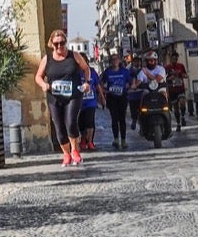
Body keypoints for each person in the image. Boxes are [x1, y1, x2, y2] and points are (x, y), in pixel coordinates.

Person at [35, 29, 89, 167]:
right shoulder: (47, 59)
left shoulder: (74, 56)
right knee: (59, 126)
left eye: (62, 43)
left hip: (73, 95)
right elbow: (38, 76)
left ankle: (75, 151)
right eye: (56, 44)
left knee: (71, 122)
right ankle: (66, 154)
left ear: (66, 42)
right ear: (51, 44)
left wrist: (86, 82)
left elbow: (86, 68)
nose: (59, 46)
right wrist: (43, 84)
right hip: (54, 97)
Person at [100, 53, 133, 149]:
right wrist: (104, 90)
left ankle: (123, 140)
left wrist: (130, 87)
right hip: (112, 98)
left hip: (122, 97)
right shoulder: (107, 72)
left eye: (116, 59)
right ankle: (116, 139)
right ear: (110, 62)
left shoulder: (125, 71)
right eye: (112, 60)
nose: (114, 61)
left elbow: (131, 82)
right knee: (114, 119)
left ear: (119, 61)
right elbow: (101, 82)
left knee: (122, 119)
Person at [163, 47, 190, 130]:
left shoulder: (180, 66)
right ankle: (178, 123)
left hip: (180, 88)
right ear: (170, 59)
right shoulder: (167, 68)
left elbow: (186, 75)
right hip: (172, 90)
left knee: (182, 103)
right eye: (173, 58)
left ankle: (183, 116)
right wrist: (169, 78)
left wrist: (181, 74)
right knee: (175, 108)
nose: (174, 59)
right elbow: (164, 79)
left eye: (176, 58)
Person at [79, 56, 101, 152]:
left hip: (91, 101)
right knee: (81, 123)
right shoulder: (75, 72)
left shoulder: (92, 71)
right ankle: (83, 139)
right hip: (79, 102)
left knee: (90, 122)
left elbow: (97, 85)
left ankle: (90, 141)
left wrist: (102, 98)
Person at [125, 53, 146, 132]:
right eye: (135, 61)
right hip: (132, 94)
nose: (137, 63)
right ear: (133, 62)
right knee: (133, 110)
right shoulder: (128, 71)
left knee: (142, 111)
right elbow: (126, 81)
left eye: (138, 61)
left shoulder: (143, 70)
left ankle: (141, 127)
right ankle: (134, 120)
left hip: (142, 94)